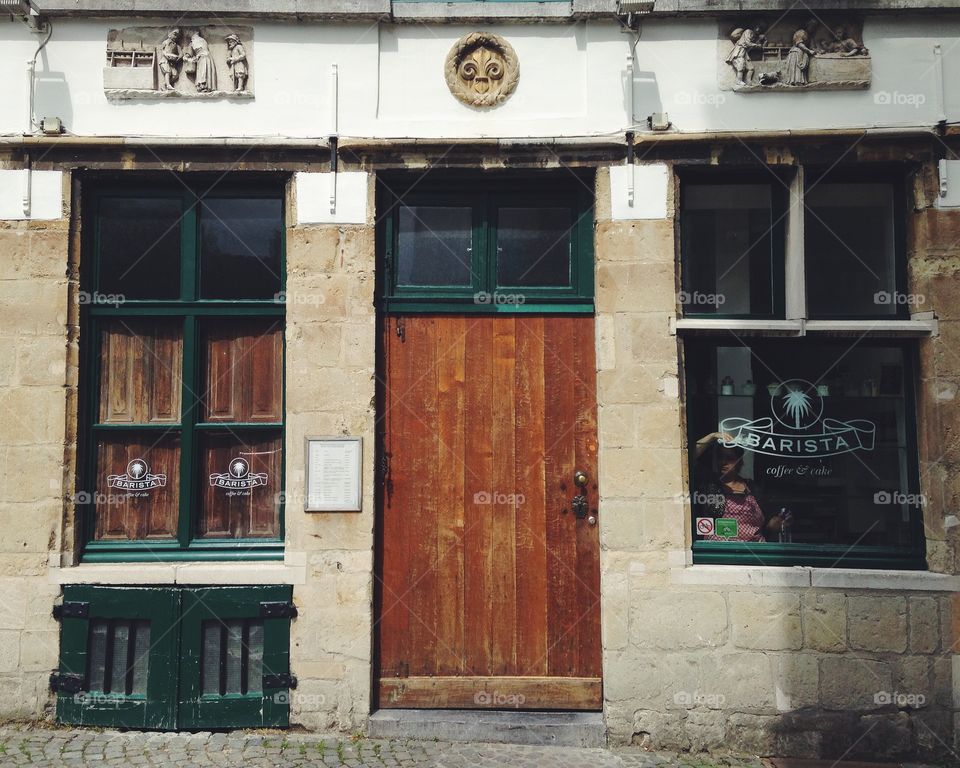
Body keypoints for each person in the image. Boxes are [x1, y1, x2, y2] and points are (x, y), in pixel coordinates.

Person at [694, 432, 792, 542]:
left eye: (729, 458)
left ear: (740, 462)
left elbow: (769, 523)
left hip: (754, 550)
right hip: (719, 550)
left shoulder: (753, 488)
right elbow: (689, 457)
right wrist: (711, 436)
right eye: (721, 457)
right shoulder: (709, 482)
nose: (723, 462)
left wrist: (780, 522)